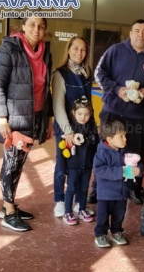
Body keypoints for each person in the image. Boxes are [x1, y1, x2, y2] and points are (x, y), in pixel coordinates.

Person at [0, 16, 53, 232]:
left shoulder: (45, 51)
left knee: (18, 163)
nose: (37, 29)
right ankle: (9, 213)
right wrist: (2, 118)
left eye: (41, 26)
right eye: (32, 25)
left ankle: (7, 206)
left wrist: (49, 118)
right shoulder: (9, 48)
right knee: (11, 163)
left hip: (34, 116)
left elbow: (47, 88)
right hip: (14, 117)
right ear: (24, 27)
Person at [94, 19, 144, 204]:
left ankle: (133, 188)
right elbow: (100, 73)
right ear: (130, 33)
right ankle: (98, 187)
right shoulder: (115, 50)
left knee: (136, 152)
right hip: (113, 110)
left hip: (137, 115)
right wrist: (118, 90)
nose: (141, 34)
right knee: (106, 150)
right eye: (137, 31)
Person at [51, 36, 94, 218]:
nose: (79, 53)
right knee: (63, 167)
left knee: (82, 166)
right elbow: (58, 105)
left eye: (83, 49)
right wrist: (67, 131)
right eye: (76, 48)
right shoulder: (60, 74)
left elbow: (88, 103)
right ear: (68, 50)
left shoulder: (86, 73)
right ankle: (60, 201)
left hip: (84, 128)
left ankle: (79, 202)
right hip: (66, 130)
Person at [93, 120, 140, 248]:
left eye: (125, 135)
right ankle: (100, 234)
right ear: (109, 139)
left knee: (119, 214)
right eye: (121, 136)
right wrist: (122, 171)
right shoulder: (102, 152)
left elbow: (134, 164)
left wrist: (138, 170)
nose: (125, 139)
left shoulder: (125, 151)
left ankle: (117, 231)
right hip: (106, 193)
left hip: (121, 192)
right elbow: (99, 170)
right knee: (103, 216)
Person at [62, 96, 98, 225]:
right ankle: (67, 212)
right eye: (80, 114)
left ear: (91, 114)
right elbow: (63, 150)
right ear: (73, 113)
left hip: (87, 166)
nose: (83, 117)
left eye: (86, 114)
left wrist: (94, 164)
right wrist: (63, 167)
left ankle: (82, 209)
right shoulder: (69, 130)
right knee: (71, 188)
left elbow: (96, 146)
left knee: (84, 188)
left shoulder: (92, 128)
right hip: (73, 166)